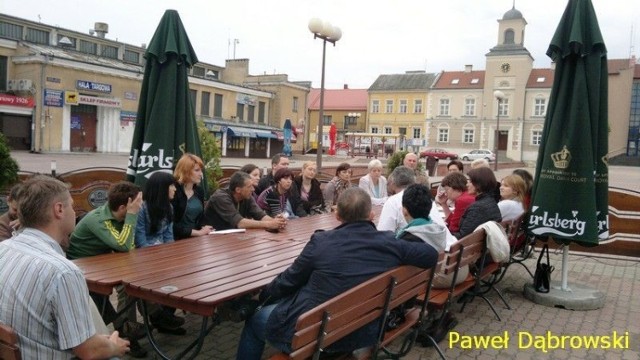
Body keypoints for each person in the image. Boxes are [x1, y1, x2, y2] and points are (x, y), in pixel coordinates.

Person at [235, 187, 439, 360]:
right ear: (371, 215)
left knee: (255, 321)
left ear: (337, 216)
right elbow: (430, 255)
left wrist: (263, 296)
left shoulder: (321, 242)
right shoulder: (389, 243)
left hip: (316, 334)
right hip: (363, 331)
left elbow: (289, 280)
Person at [0, 176, 130, 359]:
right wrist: (114, 347)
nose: (74, 211)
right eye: (71, 204)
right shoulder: (62, 272)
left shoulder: (4, 249)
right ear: (59, 209)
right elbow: (89, 351)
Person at [67, 181, 184, 351]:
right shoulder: (99, 219)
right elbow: (123, 244)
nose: (140, 205)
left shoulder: (121, 216)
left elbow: (129, 247)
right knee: (126, 285)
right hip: (82, 267)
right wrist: (132, 215)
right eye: (138, 202)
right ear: (124, 207)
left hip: (104, 260)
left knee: (136, 278)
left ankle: (149, 317)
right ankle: (127, 330)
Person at [203, 171, 287, 231]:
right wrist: (269, 224)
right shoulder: (221, 197)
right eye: (249, 186)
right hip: (211, 239)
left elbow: (261, 215)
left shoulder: (247, 196)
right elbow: (240, 223)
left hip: (231, 238)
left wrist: (277, 222)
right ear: (238, 190)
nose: (253, 189)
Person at [172, 153, 213, 240]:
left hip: (195, 239)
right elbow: (169, 225)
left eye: (201, 170)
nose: (201, 174)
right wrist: (198, 233)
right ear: (185, 171)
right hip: (175, 240)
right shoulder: (174, 191)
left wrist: (205, 228)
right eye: (197, 170)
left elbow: (201, 218)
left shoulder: (199, 191)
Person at [453, 167, 502, 239]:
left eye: (470, 181)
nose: (467, 185)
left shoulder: (478, 208)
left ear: (479, 183)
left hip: (468, 248)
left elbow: (463, 236)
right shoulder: (491, 201)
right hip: (479, 246)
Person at [135, 171, 176, 248]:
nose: (175, 189)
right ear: (162, 188)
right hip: (145, 252)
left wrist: (171, 252)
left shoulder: (169, 207)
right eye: (172, 185)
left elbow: (169, 236)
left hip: (162, 249)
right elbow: (140, 241)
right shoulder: (141, 208)